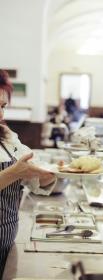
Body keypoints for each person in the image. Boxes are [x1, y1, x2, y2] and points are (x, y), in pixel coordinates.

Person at [0, 70, 56, 277]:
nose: (0, 114)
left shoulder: (7, 137)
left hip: (6, 240)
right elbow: (17, 171)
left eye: (3, 106)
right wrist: (13, 173)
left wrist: (46, 176)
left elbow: (33, 168)